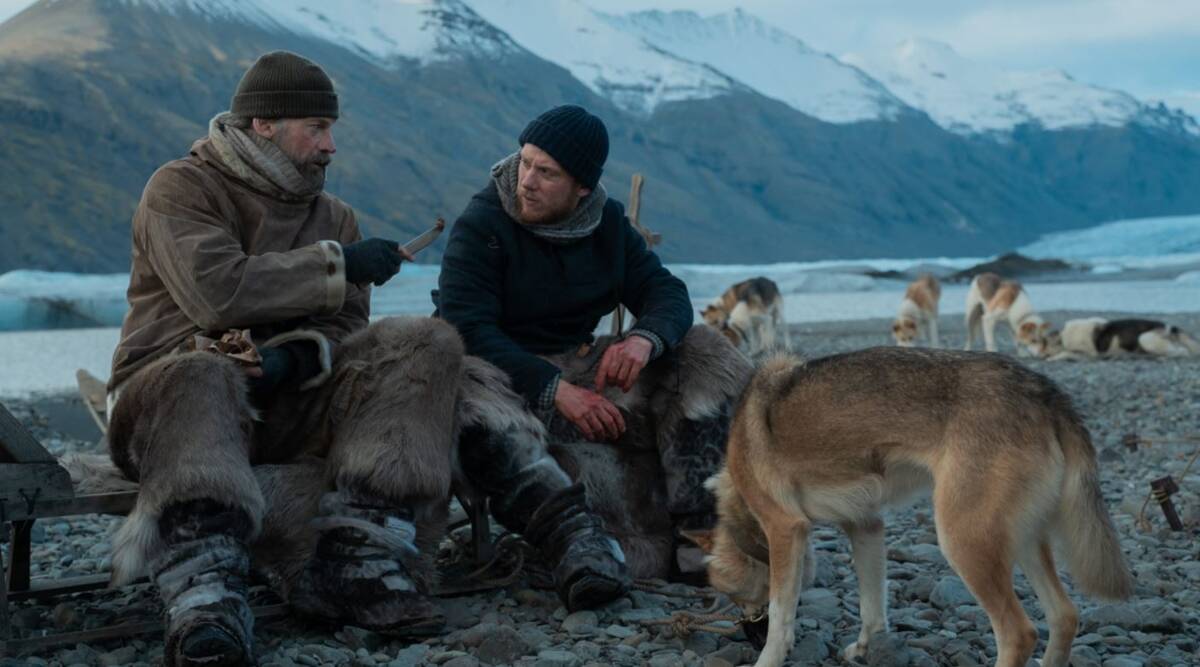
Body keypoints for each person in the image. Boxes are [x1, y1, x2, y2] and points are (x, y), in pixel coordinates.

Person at [106, 53, 628, 667]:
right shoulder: (181, 187)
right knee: (200, 372)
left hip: (283, 404)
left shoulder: (334, 216)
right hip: (167, 403)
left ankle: (363, 557)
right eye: (316, 128)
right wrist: (339, 266)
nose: (331, 146)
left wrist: (289, 364)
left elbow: (345, 328)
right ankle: (205, 600)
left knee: (426, 341)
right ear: (262, 126)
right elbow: (214, 291)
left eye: (333, 129)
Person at [437, 105, 752, 580]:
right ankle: (592, 549)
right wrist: (555, 388)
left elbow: (666, 293)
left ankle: (704, 535)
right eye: (525, 162)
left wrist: (644, 340)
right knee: (473, 382)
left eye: (546, 173)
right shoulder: (483, 224)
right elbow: (467, 328)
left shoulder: (606, 223)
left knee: (704, 350)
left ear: (582, 186)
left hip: (582, 364)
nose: (526, 180)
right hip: (498, 378)